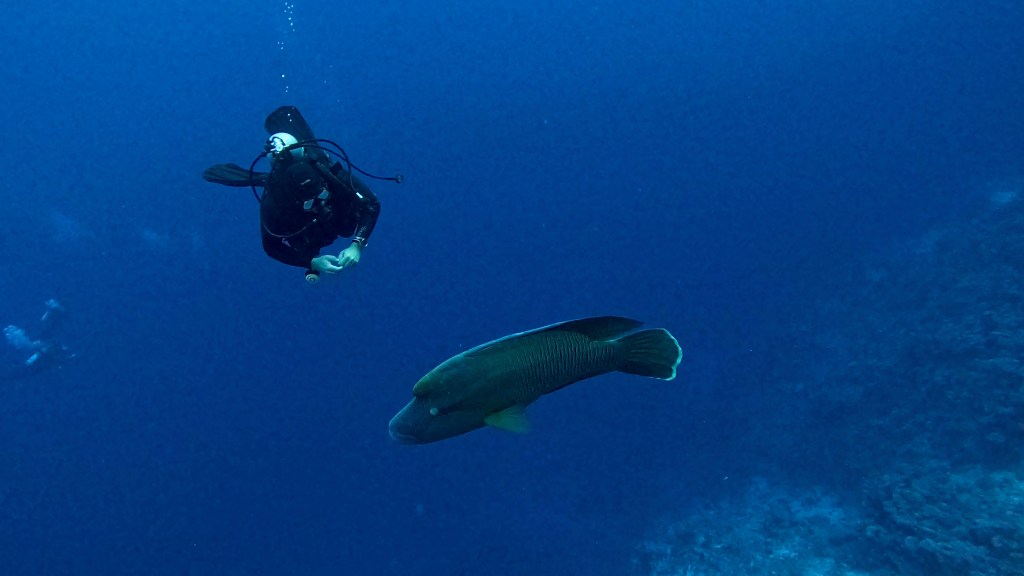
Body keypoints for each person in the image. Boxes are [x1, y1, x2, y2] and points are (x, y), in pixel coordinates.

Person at [202, 106, 400, 282]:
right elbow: (271, 247)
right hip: (307, 234)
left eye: (321, 195)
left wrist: (357, 244)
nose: (318, 204)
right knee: (305, 242)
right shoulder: (275, 200)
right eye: (309, 202)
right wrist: (312, 261)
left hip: (340, 218)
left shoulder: (327, 172)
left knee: (346, 223)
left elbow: (371, 203)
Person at [3, 299, 75, 376]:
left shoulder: (42, 339)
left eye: (16, 330)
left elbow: (45, 324)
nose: (20, 331)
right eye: (12, 335)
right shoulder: (24, 363)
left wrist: (51, 311)